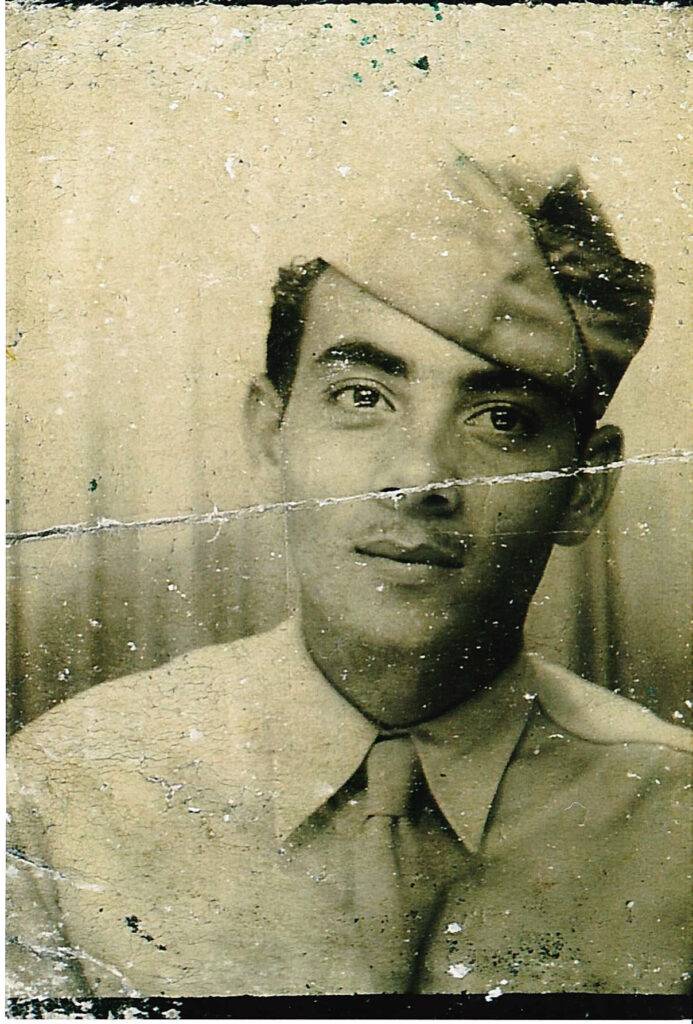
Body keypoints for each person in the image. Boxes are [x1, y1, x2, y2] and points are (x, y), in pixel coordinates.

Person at [6, 151, 690, 999]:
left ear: (584, 488)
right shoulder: (66, 792)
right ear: (270, 433)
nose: (418, 479)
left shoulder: (676, 820)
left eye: (500, 418)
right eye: (363, 396)